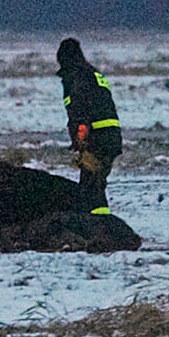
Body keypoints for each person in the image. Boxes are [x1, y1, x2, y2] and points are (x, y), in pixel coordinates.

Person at [57, 38, 121, 213]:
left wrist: (81, 138)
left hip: (96, 138)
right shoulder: (93, 73)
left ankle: (99, 226)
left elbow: (79, 111)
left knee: (91, 187)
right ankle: (101, 222)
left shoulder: (76, 76)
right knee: (95, 183)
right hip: (111, 136)